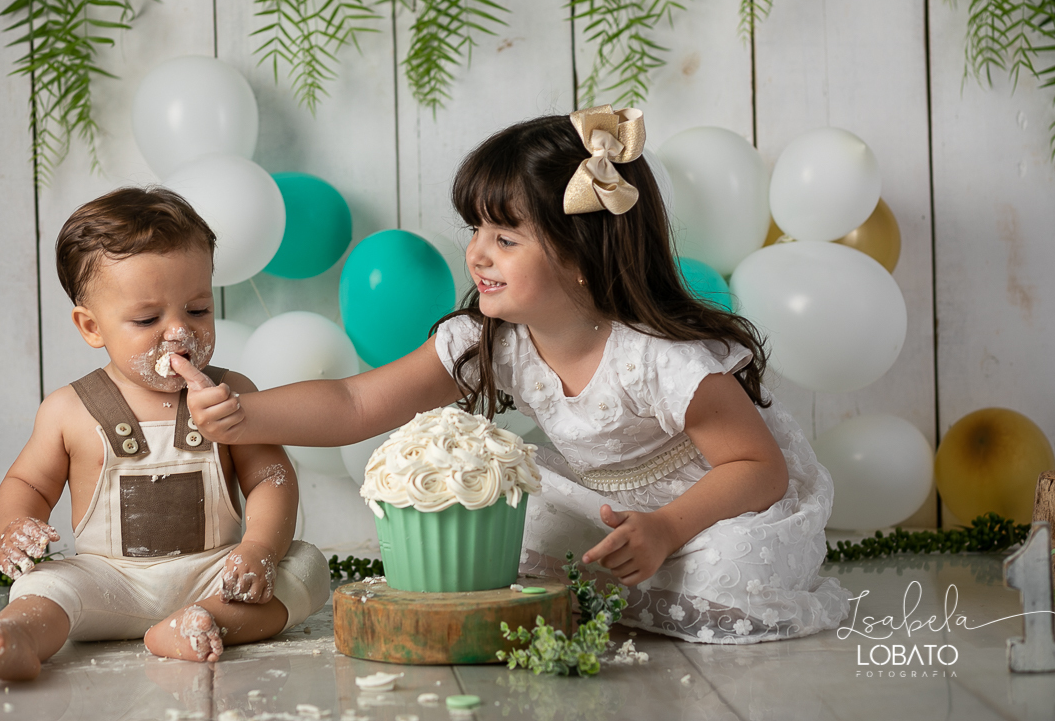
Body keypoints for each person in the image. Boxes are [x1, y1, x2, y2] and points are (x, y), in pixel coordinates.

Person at [179, 106, 850, 643]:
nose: (476, 253)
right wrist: (249, 414)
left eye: (505, 238)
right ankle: (619, 576)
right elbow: (357, 401)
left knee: (731, 575)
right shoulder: (491, 339)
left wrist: (669, 528)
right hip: (607, 500)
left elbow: (758, 469)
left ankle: (660, 575)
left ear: (583, 254)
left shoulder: (660, 359)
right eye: (476, 229)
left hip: (715, 503)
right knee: (510, 529)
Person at [0, 187, 329, 681]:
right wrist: (16, 526)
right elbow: (28, 484)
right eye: (147, 319)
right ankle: (21, 636)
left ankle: (201, 622)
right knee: (43, 587)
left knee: (306, 566)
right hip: (107, 583)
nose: (179, 332)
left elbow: (270, 478)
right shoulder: (68, 410)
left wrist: (258, 549)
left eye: (198, 310)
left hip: (213, 575)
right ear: (91, 326)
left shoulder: (231, 393)